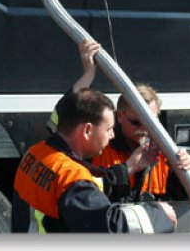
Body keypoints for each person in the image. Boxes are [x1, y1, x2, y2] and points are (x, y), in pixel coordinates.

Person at [51, 40, 190, 202]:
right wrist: (88, 75)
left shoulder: (164, 150)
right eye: (136, 122)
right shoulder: (100, 145)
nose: (145, 129)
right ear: (120, 116)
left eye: (151, 123)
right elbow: (61, 122)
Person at [12, 88, 177, 233]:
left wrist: (129, 168)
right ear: (87, 130)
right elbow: (110, 226)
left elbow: (90, 184)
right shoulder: (71, 180)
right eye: (109, 129)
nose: (112, 135)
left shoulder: (37, 152)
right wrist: (158, 215)